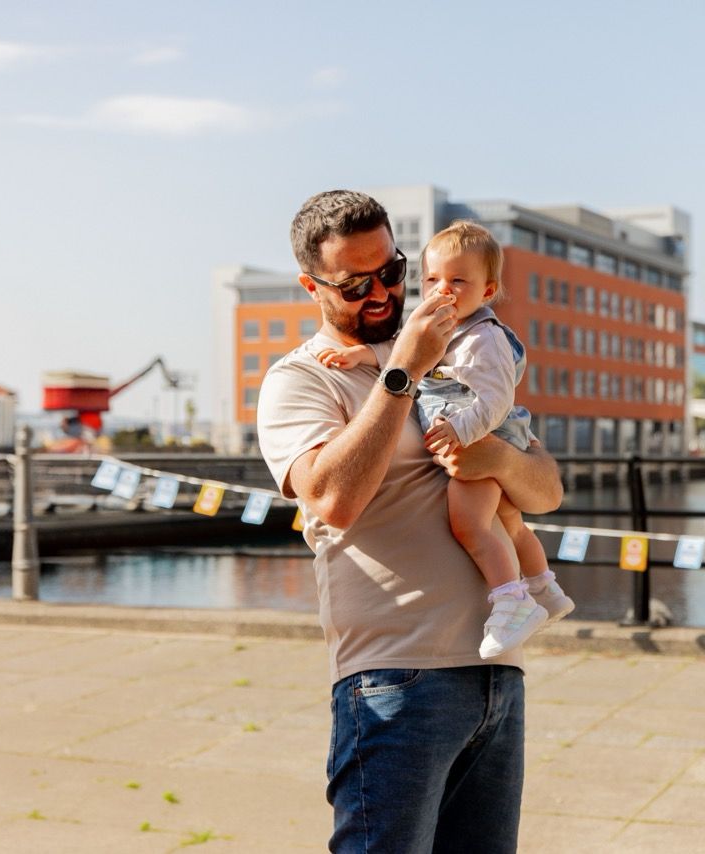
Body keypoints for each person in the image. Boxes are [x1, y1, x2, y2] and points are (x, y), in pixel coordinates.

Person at [256, 190, 564, 853]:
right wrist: (401, 371)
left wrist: (497, 456)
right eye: (354, 283)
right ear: (310, 285)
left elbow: (545, 491)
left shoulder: (451, 361)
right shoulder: (300, 381)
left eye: (391, 270)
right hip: (393, 680)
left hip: (495, 674)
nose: (381, 292)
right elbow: (331, 499)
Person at [314, 220, 575, 659]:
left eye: (458, 281)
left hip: (480, 432)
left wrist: (468, 436)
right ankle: (545, 589)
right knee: (509, 524)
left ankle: (512, 601)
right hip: (400, 648)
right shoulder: (438, 325)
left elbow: (495, 399)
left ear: (487, 291)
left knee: (470, 524)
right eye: (432, 279)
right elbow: (402, 351)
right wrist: (362, 356)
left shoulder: (484, 338)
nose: (443, 289)